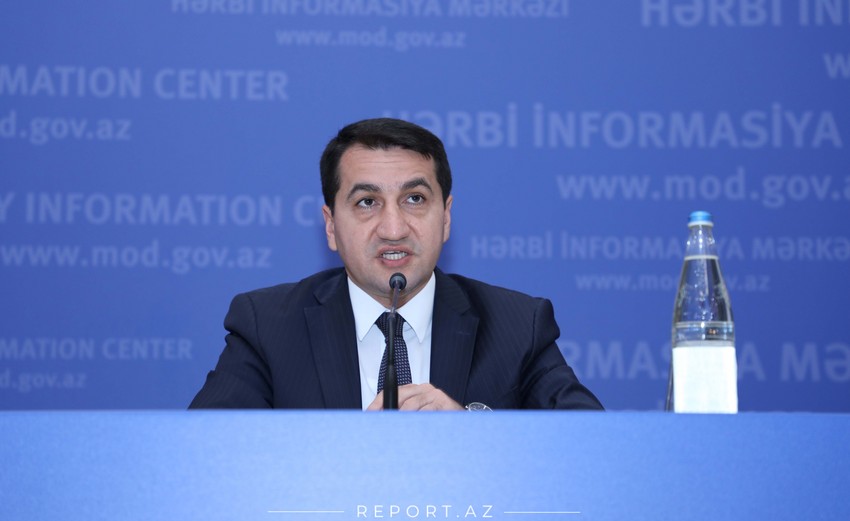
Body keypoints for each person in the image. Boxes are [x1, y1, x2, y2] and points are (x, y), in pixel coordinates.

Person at [190, 118, 603, 411]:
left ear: (446, 217)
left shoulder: (518, 327)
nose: (393, 228)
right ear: (331, 226)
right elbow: (206, 455)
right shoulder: (268, 327)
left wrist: (472, 434)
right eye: (367, 202)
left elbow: (590, 448)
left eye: (415, 199)